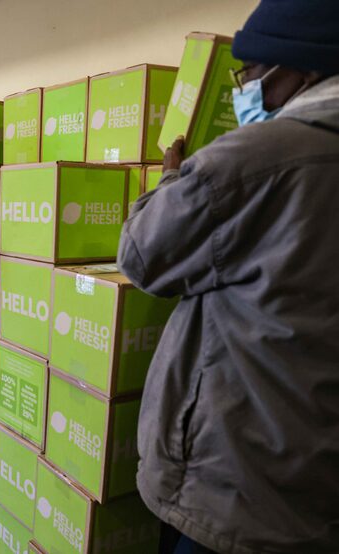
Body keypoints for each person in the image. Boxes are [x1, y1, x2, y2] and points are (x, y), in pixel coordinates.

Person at [117, 2, 339, 552]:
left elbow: (143, 255)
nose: (247, 89)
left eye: (252, 74)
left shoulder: (257, 156)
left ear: (298, 71)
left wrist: (172, 183)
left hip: (233, 482)